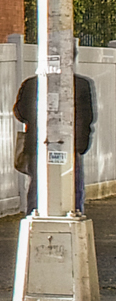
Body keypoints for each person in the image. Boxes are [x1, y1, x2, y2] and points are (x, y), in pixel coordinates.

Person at [13, 72, 100, 215]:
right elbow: (88, 117)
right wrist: (81, 144)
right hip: (72, 145)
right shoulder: (82, 84)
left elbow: (21, 113)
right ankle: (73, 215)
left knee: (39, 185)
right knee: (72, 186)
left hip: (38, 144)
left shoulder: (31, 83)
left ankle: (35, 216)